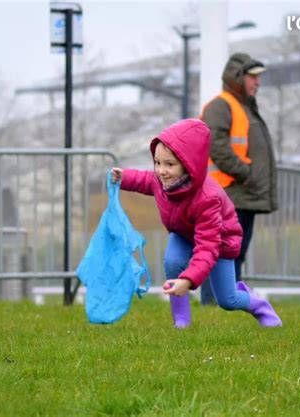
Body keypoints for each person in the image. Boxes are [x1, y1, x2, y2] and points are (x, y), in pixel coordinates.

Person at [111, 118, 282, 328]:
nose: (161, 171)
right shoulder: (163, 181)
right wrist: (124, 178)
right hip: (184, 234)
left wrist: (189, 280)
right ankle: (181, 320)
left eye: (169, 164)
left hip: (219, 243)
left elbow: (207, 248)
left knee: (228, 300)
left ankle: (258, 304)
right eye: (157, 163)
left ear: (188, 165)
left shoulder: (206, 199)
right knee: (173, 261)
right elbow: (145, 180)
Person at [199, 52, 278, 304]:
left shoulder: (242, 107)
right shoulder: (221, 105)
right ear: (237, 77)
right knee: (222, 253)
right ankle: (215, 303)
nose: (258, 83)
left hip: (242, 194)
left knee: (235, 253)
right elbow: (217, 147)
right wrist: (247, 174)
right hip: (229, 193)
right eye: (253, 77)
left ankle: (227, 302)